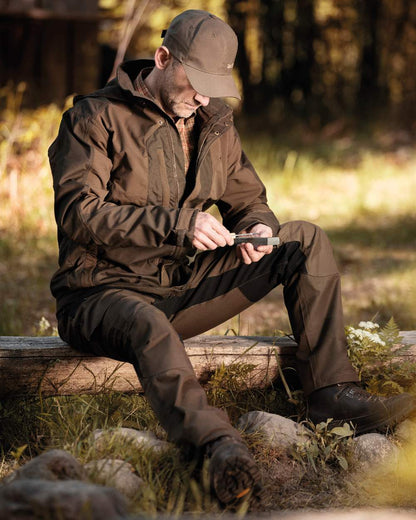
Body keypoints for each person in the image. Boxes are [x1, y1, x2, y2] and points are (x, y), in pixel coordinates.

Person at [49, 9, 415, 505]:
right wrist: (181, 226)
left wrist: (255, 227)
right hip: (99, 295)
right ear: (162, 58)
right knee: (146, 322)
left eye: (213, 84)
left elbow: (248, 198)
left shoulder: (214, 120)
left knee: (303, 240)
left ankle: (333, 395)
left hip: (178, 290)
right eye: (194, 81)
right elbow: (79, 213)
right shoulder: (94, 118)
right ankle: (217, 448)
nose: (202, 95)